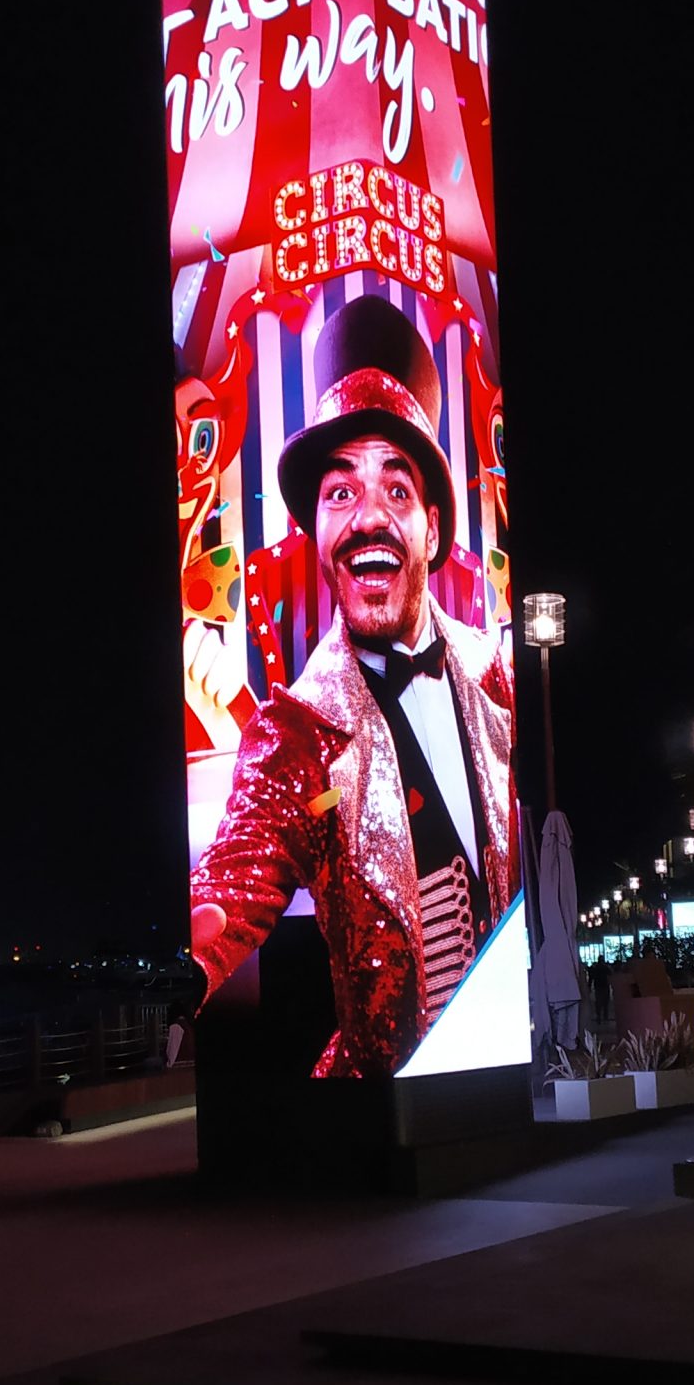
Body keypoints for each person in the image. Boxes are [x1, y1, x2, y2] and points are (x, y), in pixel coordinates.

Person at [188, 296, 515, 1077]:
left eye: (396, 490)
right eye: (340, 493)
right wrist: (186, 961)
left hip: (505, 1074)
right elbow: (234, 875)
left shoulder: (499, 680)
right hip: (380, 1114)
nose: (368, 517)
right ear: (319, 534)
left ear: (433, 532)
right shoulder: (295, 732)